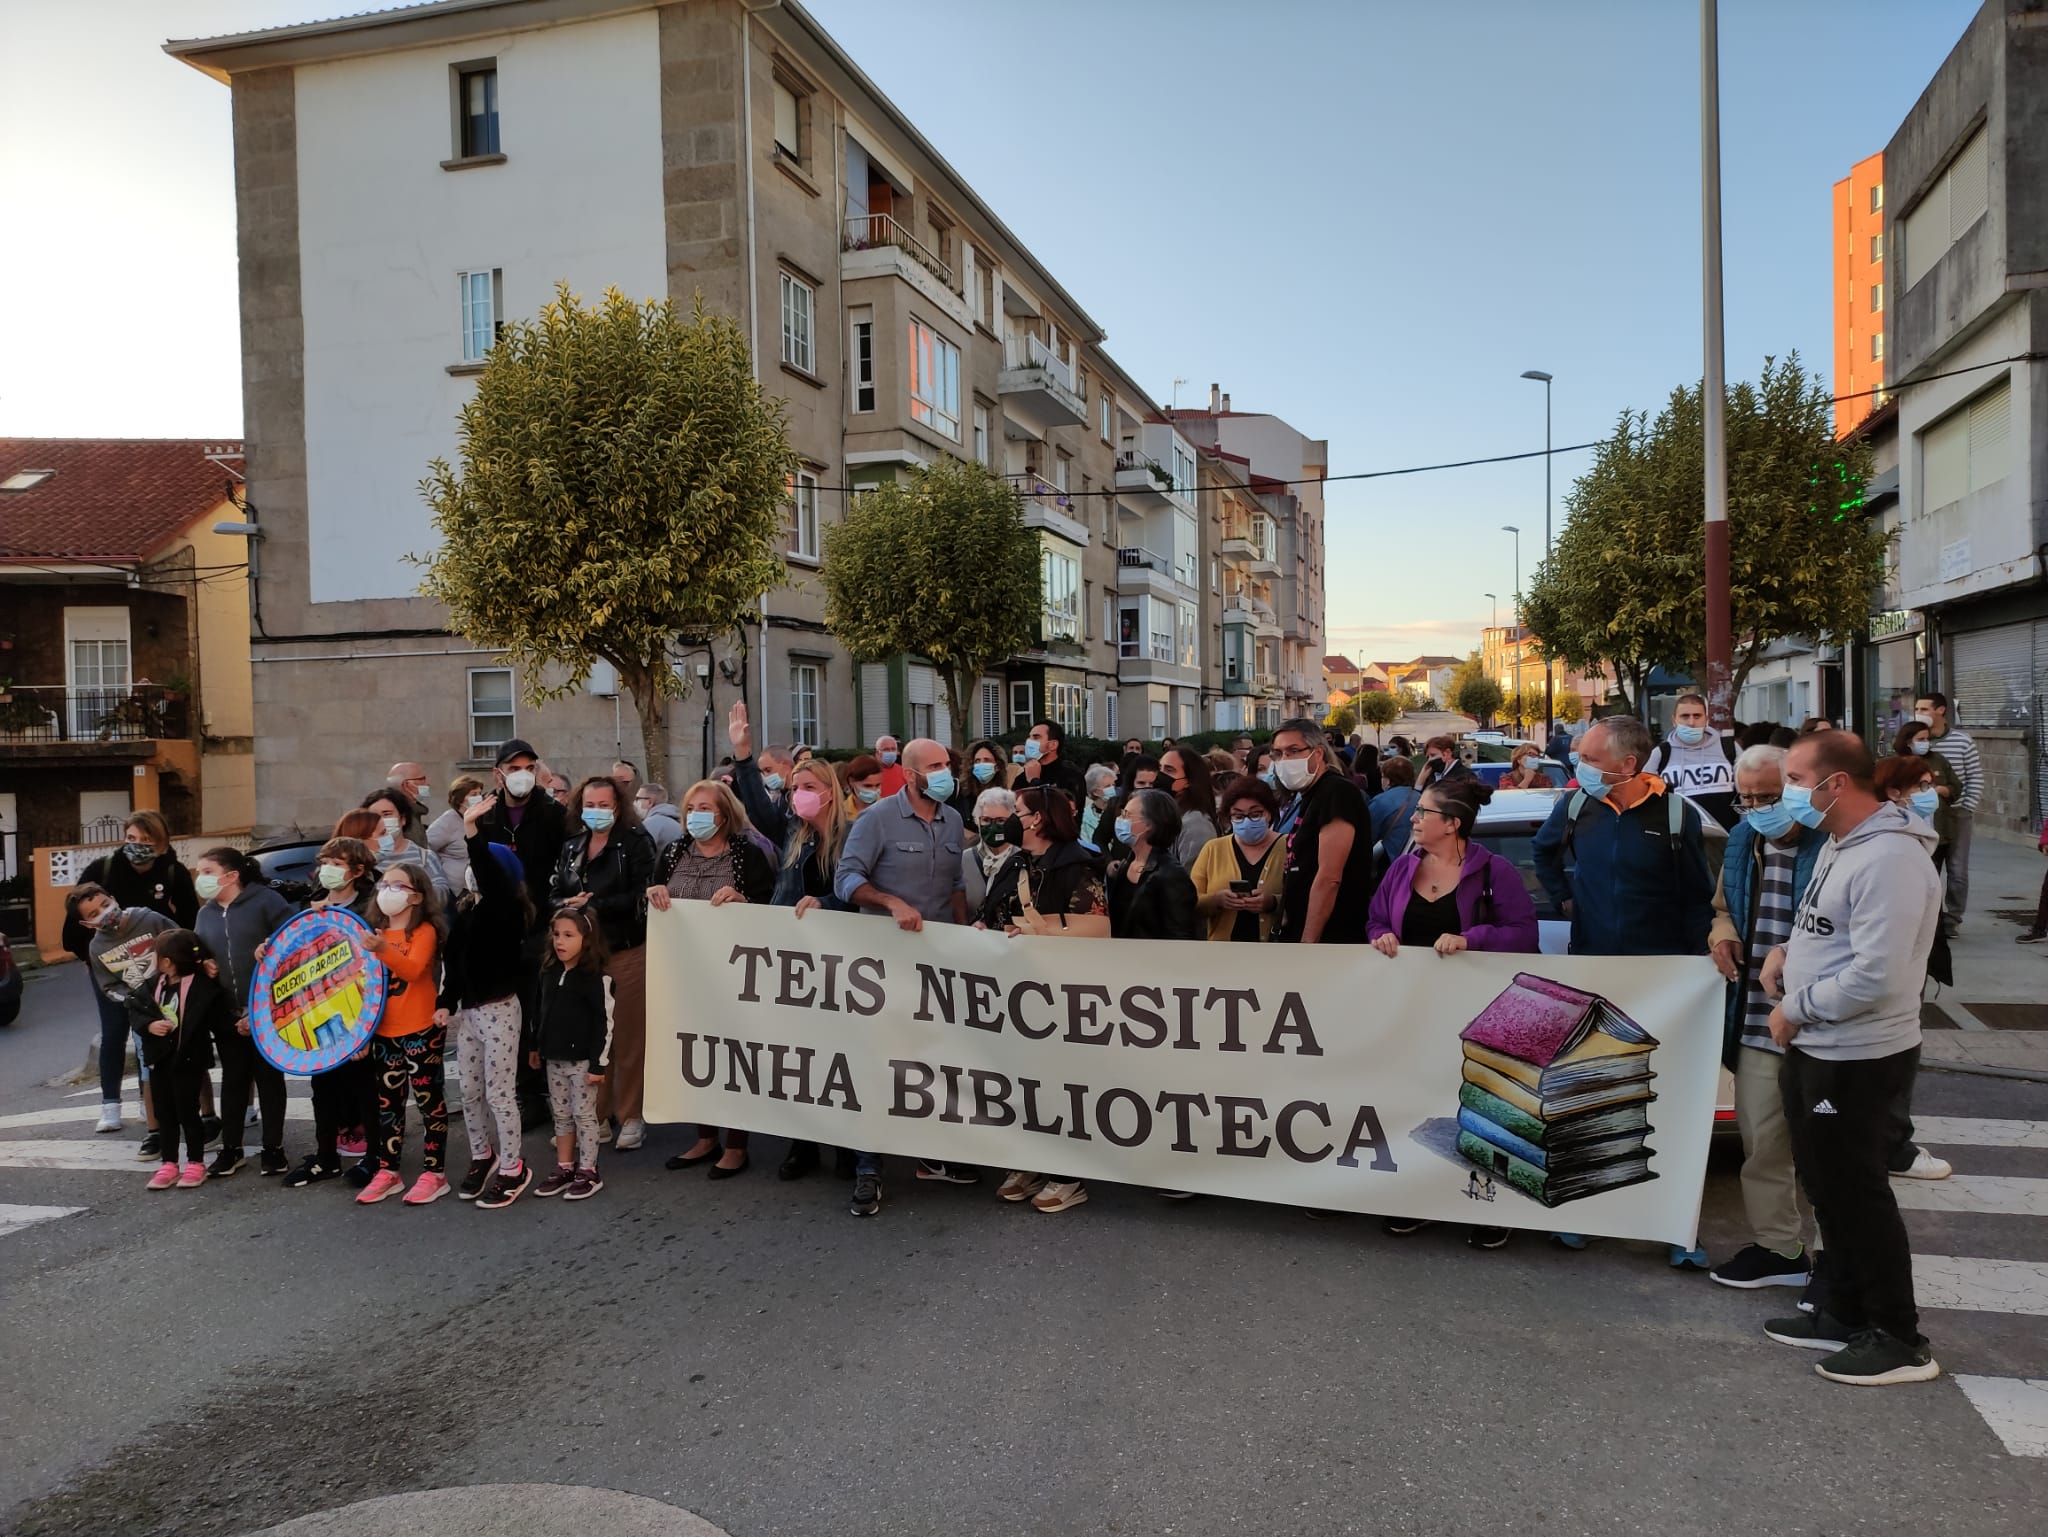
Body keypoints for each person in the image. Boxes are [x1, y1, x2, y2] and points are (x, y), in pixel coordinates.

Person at [1757, 731, 1943, 1386]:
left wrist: (1796, 1006)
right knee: (1826, 1185)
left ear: (1836, 783)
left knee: (1859, 1194)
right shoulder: (1843, 843)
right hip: (1818, 1047)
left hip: (1857, 1055)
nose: (1788, 790)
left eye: (1797, 777)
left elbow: (1880, 977)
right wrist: (1784, 951)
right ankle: (1842, 1308)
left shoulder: (1889, 858)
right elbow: (1827, 926)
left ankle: (1898, 1335)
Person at [1366, 776, 1535, 1248]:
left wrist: (1471, 939)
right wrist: (1380, 936)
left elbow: (1522, 931)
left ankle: (1488, 1205)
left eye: (1424, 812)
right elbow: (1376, 917)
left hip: (1477, 1016)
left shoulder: (1494, 871)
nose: (1414, 819)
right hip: (1414, 1013)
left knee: (1480, 1108)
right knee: (1418, 1105)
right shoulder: (1402, 868)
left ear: (1453, 824)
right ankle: (1418, 1198)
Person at [1704, 745, 1826, 1290]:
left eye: (1768, 797)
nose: (1755, 808)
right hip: (1756, 1021)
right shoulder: (1741, 839)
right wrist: (1723, 934)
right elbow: (1724, 908)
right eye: (1746, 798)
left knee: (1830, 1149)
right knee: (1762, 1146)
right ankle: (1780, 1250)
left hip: (1825, 1025)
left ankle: (1839, 1261)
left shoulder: (1834, 844)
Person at [835, 737, 970, 1211]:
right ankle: (868, 1168)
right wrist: (891, 903)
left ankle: (932, 1155)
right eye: (933, 766)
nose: (943, 773)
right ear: (909, 774)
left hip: (938, 965)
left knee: (933, 1060)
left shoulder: (953, 819)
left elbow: (954, 883)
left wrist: (966, 932)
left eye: (947, 765)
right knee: (879, 1062)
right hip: (882, 966)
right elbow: (846, 879)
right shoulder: (876, 820)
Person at [989, 783, 1112, 1214]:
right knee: (1023, 1079)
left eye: (1017, 810)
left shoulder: (1079, 866)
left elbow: (1094, 929)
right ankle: (1032, 1160)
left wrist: (1031, 936)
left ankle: (1068, 1172)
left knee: (1062, 1081)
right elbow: (994, 913)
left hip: (1064, 990)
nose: (1009, 818)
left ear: (1037, 818)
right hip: (1017, 989)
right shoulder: (1016, 863)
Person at [649, 780, 776, 1177]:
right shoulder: (672, 853)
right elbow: (653, 897)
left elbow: (770, 908)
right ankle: (705, 1137)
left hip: (731, 975)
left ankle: (737, 1145)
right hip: (682, 972)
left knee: (731, 1055)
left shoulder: (746, 855)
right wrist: (652, 894)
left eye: (705, 808)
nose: (696, 816)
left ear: (725, 815)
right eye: (691, 808)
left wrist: (743, 903)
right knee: (695, 1054)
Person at [62, 810, 200, 1138]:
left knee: (150, 1034)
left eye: (146, 841)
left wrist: (184, 960)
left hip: (159, 973)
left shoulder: (172, 871)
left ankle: (147, 1101)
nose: (137, 846)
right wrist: (92, 960)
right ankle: (110, 1105)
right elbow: (72, 929)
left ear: (162, 844)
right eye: (131, 838)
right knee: (113, 1033)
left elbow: (189, 921)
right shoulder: (103, 870)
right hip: (113, 969)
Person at [1533, 715, 1714, 957]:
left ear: (1628, 764)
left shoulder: (1677, 814)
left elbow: (1698, 894)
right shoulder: (1574, 805)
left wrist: (1702, 953)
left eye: (1590, 759)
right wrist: (1562, 898)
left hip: (1662, 964)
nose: (1580, 767)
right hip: (1592, 959)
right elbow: (1542, 851)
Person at [437, 793, 535, 1208]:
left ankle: (514, 1166)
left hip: (500, 1011)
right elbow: (454, 964)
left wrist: (473, 831)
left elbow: (491, 877)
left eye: (481, 870)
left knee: (499, 1093)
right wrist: (446, 1001)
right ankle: (483, 1155)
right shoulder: (467, 914)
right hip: (471, 1015)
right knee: (470, 1091)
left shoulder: (506, 910)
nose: (474, 876)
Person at [550, 775, 656, 1151]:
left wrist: (591, 906)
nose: (595, 811)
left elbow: (640, 895)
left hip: (626, 950)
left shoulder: (636, 843)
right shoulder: (573, 845)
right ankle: (596, 1115)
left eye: (604, 805)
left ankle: (630, 1114)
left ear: (619, 806)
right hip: (584, 955)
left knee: (626, 1036)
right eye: (589, 805)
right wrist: (565, 907)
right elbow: (555, 892)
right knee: (592, 1036)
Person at [287, 834, 385, 1188]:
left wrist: (368, 1029)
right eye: (324, 864)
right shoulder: (310, 908)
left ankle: (377, 1158)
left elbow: (377, 968)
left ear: (357, 871)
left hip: (360, 1013)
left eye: (337, 864)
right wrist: (269, 949)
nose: (327, 871)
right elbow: (293, 958)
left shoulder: (371, 911)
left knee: (365, 1089)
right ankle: (326, 1156)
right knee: (323, 1087)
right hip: (318, 1012)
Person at [191, 846, 296, 1178]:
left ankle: (273, 1149)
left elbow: (292, 950)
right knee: (233, 1080)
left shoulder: (267, 902)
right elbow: (201, 953)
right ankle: (231, 1149)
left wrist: (260, 1010)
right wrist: (203, 963)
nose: (200, 878)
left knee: (269, 1079)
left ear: (231, 875)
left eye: (207, 871)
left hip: (268, 1010)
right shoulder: (205, 913)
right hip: (226, 1013)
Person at [351, 861, 449, 1206]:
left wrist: (382, 950)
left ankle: (434, 1173)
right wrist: (360, 1035)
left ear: (416, 896)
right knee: (388, 1107)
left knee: (430, 1104)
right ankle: (388, 1170)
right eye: (384, 884)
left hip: (421, 1031)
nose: (387, 891)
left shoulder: (424, 932)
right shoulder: (370, 933)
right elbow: (358, 985)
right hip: (384, 1034)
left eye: (398, 885)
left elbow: (411, 970)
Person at [69, 882, 182, 1146]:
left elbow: (180, 941)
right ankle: (155, 1131)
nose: (104, 913)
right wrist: (134, 1002)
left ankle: (205, 1117)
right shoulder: (97, 949)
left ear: (114, 898)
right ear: (87, 925)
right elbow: (109, 985)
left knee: (189, 1059)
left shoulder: (150, 919)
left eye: (105, 905)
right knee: (148, 1069)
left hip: (178, 1001)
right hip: (144, 1014)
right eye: (94, 913)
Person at [133, 930, 229, 1191]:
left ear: (167, 961)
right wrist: (150, 1025)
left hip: (188, 1060)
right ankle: (169, 1163)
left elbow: (218, 1016)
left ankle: (196, 1162)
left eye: (157, 956)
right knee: (165, 1112)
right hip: (159, 1059)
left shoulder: (201, 986)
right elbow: (136, 1009)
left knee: (189, 1112)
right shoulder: (154, 985)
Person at [529, 904, 614, 1200]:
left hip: (582, 1063)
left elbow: (605, 1023)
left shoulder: (595, 979)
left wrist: (598, 1064)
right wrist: (536, 1046)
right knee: (562, 1115)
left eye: (569, 935)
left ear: (586, 940)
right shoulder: (549, 973)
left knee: (584, 1115)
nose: (560, 941)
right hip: (555, 1058)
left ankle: (589, 1169)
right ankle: (565, 1166)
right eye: (556, 934)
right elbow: (541, 1012)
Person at [1269, 717, 1376, 944]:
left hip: (1332, 936)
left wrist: (1309, 942)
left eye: (1293, 751)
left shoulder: (1336, 792)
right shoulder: (1310, 794)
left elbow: (1329, 877)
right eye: (1278, 754)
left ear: (1317, 754)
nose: (1284, 760)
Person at [1875, 755, 1958, 1012]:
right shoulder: (1891, 844)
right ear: (1893, 792)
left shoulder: (1917, 826)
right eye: (1922, 787)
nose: (1929, 793)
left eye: (1930, 785)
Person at [1912, 692, 1980, 935]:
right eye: (1917, 709)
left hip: (1956, 813)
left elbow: (1974, 777)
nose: (1919, 713)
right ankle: (1932, 919)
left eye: (1924, 709)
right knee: (1928, 867)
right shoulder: (1918, 742)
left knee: (1957, 869)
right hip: (1925, 815)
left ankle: (1952, 919)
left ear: (1940, 710)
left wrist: (1966, 806)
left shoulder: (1962, 741)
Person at [1190, 776, 1287, 942]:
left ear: (1269, 813)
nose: (1247, 821)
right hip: (1223, 951)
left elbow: (1305, 900)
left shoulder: (1288, 847)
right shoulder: (1213, 849)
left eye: (1255, 814)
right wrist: (1217, 900)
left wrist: (1272, 903)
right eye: (1238, 816)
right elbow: (1190, 899)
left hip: (1274, 952)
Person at [1647, 693, 1739, 829]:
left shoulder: (1729, 748)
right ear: (1674, 721)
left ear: (1706, 719)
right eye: (1685, 716)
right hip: (1680, 840)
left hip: (1727, 836)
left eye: (1697, 716)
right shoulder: (1661, 753)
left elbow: (1747, 792)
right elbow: (1647, 800)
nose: (1691, 722)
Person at [361, 785, 451, 901]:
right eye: (374, 816)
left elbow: (441, 894)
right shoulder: (362, 858)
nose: (381, 821)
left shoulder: (425, 857)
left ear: (402, 819)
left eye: (387, 814)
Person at [963, 786, 1021, 920]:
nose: (993, 827)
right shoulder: (964, 860)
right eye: (986, 820)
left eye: (1001, 821)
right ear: (977, 820)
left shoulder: (1023, 861)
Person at [1158, 745, 1219, 866]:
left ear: (1189, 780)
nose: (1160, 776)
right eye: (1159, 769)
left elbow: (1193, 880)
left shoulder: (1196, 825)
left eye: (1169, 770)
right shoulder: (1169, 815)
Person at [427, 776, 487, 895]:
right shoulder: (448, 820)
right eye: (473, 794)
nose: (478, 798)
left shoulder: (480, 819)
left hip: (475, 889)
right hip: (453, 890)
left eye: (480, 793)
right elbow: (427, 847)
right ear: (460, 799)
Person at [1017, 718, 1090, 806]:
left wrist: (1034, 781)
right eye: (1029, 737)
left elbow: (1061, 809)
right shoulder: (1023, 777)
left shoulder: (1071, 775)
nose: (1029, 742)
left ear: (1053, 745)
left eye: (1036, 737)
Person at [1367, 755, 1420, 859]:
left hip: (1390, 856)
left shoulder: (1380, 801)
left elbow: (1368, 834)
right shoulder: (1421, 798)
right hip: (1414, 855)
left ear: (1387, 780)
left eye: (1382, 776)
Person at [632, 781, 684, 853]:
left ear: (650, 802)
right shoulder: (674, 820)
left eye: (638, 798)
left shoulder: (651, 823)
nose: (635, 802)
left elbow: (641, 854)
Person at [1079, 763, 1117, 849]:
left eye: (1114, 785)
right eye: (1108, 786)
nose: (1113, 789)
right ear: (1095, 792)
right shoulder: (1085, 818)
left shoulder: (1121, 811)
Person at [842, 753, 885, 818]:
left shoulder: (888, 809)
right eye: (867, 786)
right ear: (851, 781)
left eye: (877, 785)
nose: (874, 790)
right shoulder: (840, 812)